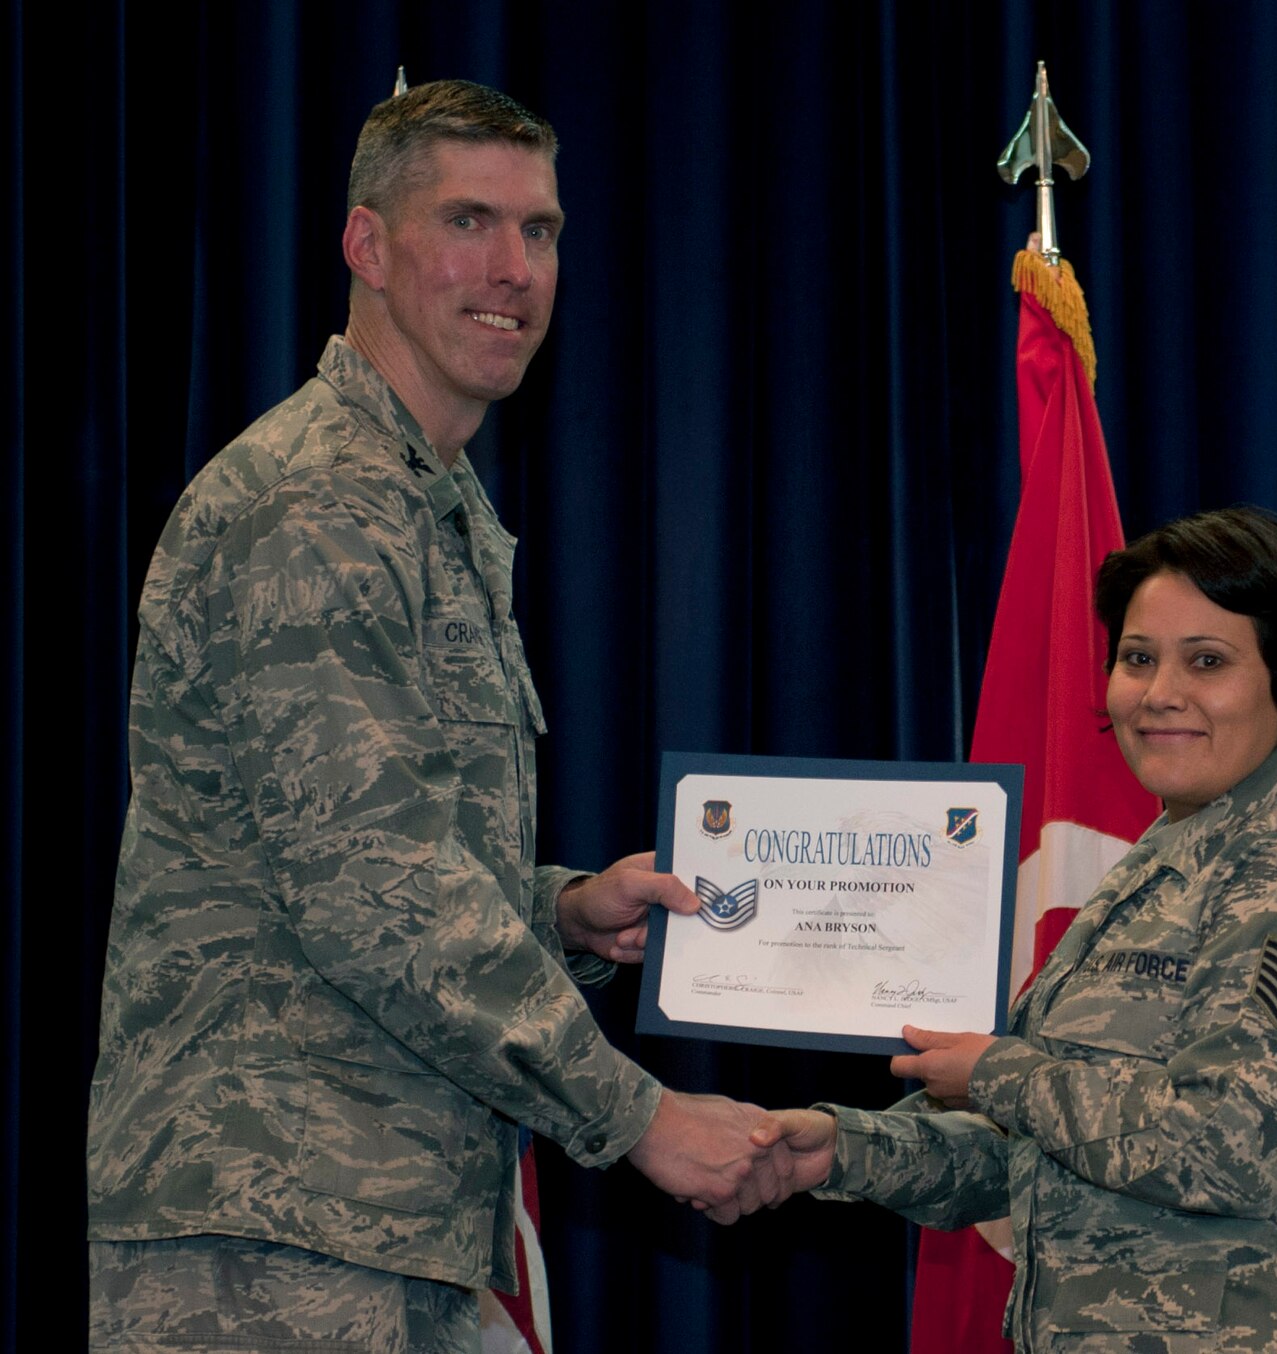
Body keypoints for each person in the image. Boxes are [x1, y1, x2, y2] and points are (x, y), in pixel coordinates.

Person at [86, 80, 788, 1350]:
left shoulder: (425, 503)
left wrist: (563, 910)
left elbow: (357, 857)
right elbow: (375, 888)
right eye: (469, 221)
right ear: (367, 245)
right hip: (272, 1229)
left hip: (377, 1219)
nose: (514, 269)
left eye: (541, 229)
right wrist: (638, 1117)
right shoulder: (314, 505)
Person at [759, 507, 1277, 1350]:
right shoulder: (1162, 864)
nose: (1160, 693)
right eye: (1138, 658)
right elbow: (1040, 1151)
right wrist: (839, 1151)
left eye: (1208, 661)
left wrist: (997, 1072)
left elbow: (1222, 1150)